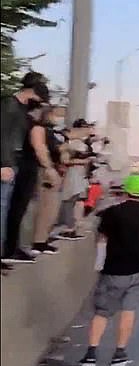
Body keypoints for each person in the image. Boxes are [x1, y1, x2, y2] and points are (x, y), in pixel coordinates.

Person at [79, 175, 139, 366]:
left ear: (125, 191)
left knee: (102, 312)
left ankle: (91, 353)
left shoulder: (113, 213)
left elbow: (102, 239)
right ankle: (120, 352)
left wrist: (99, 264)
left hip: (115, 268)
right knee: (128, 311)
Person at [1, 73, 49, 270]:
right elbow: (2, 135)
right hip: (6, 163)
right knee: (1, 209)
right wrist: (4, 163)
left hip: (13, 163)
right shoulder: (8, 105)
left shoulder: (20, 109)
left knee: (5, 210)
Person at [25, 105, 66, 255]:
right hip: (44, 172)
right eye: (58, 115)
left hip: (52, 170)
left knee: (50, 209)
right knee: (44, 208)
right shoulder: (39, 129)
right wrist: (48, 168)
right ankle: (37, 241)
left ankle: (42, 240)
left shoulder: (51, 132)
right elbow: (40, 149)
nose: (60, 118)